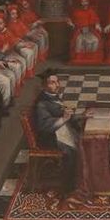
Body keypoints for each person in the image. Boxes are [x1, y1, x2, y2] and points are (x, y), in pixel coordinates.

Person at [32, 69, 85, 204]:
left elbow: (66, 115)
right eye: (52, 83)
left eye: (57, 82)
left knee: (82, 140)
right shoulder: (41, 103)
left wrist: (83, 116)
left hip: (60, 131)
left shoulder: (53, 96)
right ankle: (68, 191)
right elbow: (44, 126)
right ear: (44, 85)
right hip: (49, 137)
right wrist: (64, 119)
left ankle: (82, 181)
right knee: (72, 151)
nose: (56, 85)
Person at [69, 0, 105, 65]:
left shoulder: (91, 11)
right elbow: (74, 22)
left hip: (90, 31)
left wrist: (97, 25)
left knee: (96, 40)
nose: (84, 3)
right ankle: (80, 58)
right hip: (80, 31)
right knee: (79, 40)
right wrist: (71, 24)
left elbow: (96, 20)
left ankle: (92, 58)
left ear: (88, 2)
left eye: (85, 1)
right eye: (83, 1)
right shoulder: (77, 12)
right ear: (81, 2)